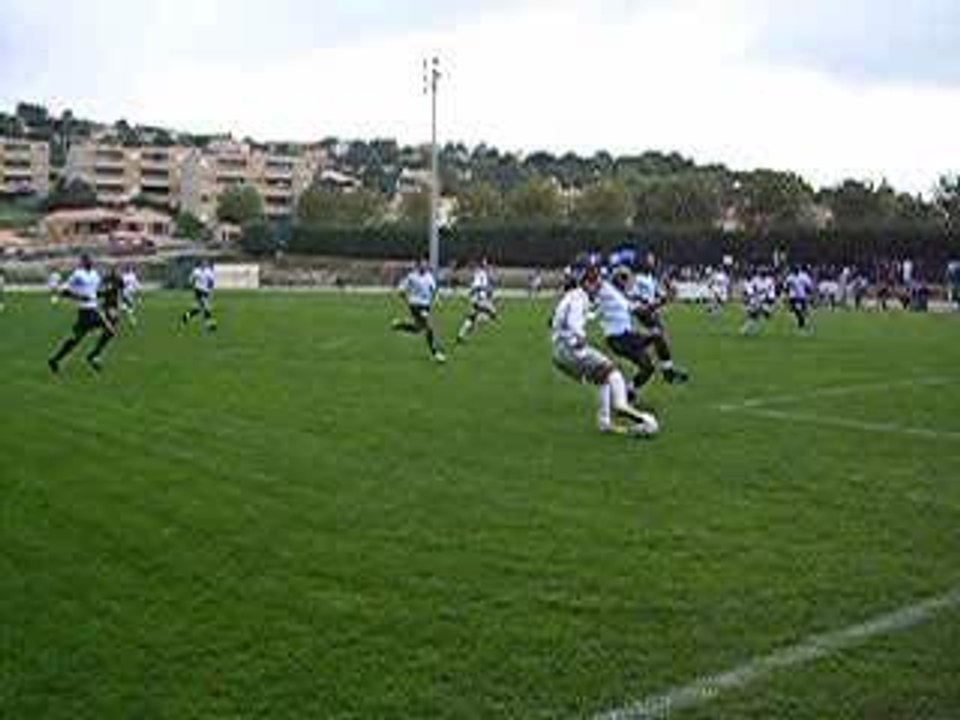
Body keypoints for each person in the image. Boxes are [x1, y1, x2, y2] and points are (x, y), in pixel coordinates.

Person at [550, 264, 658, 437]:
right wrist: (579, 336)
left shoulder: (574, 296)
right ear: (586, 283)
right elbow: (574, 321)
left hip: (559, 353)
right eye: (595, 283)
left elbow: (560, 319)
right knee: (613, 370)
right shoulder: (580, 297)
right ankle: (627, 410)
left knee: (603, 378)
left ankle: (605, 423)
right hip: (569, 349)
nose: (598, 286)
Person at [47, 254, 117, 373]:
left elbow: (95, 292)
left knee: (110, 331)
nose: (90, 261)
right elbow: (64, 291)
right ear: (82, 262)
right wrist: (80, 297)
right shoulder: (77, 274)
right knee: (75, 340)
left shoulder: (95, 274)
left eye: (90, 260)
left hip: (94, 310)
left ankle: (93, 356)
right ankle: (55, 360)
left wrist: (105, 293)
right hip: (84, 312)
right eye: (87, 260)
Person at [627, 253, 689, 384]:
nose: (652, 262)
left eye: (653, 260)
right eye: (650, 260)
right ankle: (668, 372)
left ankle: (668, 371)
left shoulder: (650, 278)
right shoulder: (638, 279)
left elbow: (657, 297)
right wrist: (661, 299)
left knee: (661, 341)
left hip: (649, 314)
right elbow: (635, 298)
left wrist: (668, 295)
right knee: (658, 341)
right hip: (641, 315)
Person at [392, 258, 446, 363]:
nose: (424, 266)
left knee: (418, 329)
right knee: (429, 327)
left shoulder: (429, 277)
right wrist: (405, 296)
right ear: (418, 265)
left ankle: (400, 324)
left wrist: (437, 300)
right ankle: (436, 353)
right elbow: (401, 289)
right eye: (422, 264)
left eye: (426, 264)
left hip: (426, 306)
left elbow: (434, 290)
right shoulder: (412, 277)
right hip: (416, 305)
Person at [457, 259, 498, 343]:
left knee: (471, 317)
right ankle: (473, 326)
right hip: (479, 300)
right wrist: (484, 290)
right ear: (483, 266)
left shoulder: (483, 274)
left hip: (478, 299)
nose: (488, 267)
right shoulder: (480, 274)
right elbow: (477, 287)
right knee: (492, 314)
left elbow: (480, 287)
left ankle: (461, 335)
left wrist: (488, 290)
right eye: (486, 265)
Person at [182, 260, 217, 331]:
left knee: (198, 309)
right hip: (198, 291)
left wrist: (211, 290)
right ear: (200, 264)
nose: (204, 265)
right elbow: (191, 279)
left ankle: (186, 316)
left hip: (206, 291)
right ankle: (209, 324)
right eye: (203, 264)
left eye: (205, 264)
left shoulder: (209, 272)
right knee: (206, 307)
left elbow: (212, 282)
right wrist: (193, 285)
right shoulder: (196, 271)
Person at [784, 265, 814, 331]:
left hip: (802, 295)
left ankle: (803, 321)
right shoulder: (790, 277)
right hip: (793, 296)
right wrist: (786, 294)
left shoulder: (804, 276)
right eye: (794, 270)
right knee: (794, 309)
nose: (795, 272)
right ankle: (801, 321)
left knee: (803, 310)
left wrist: (810, 293)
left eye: (796, 270)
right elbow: (786, 286)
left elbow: (809, 285)